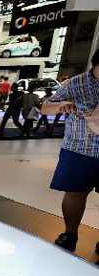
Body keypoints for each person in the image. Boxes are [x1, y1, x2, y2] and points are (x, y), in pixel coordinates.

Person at [41, 48, 99, 254]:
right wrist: (60, 105)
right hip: (78, 149)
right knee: (75, 193)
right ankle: (70, 233)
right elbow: (45, 107)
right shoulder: (76, 83)